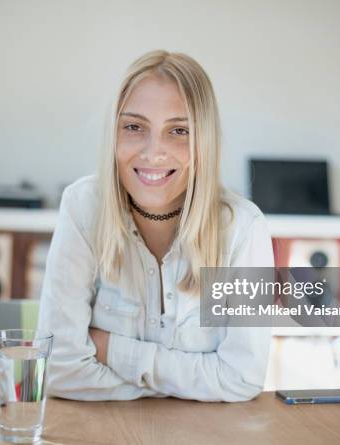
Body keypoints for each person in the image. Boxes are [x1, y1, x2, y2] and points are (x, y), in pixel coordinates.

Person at [37, 50, 273, 402]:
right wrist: (189, 384)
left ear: (203, 141)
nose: (153, 152)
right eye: (135, 127)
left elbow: (242, 378)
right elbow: (58, 370)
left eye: (178, 131)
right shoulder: (82, 207)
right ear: (114, 135)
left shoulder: (243, 229)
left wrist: (113, 352)